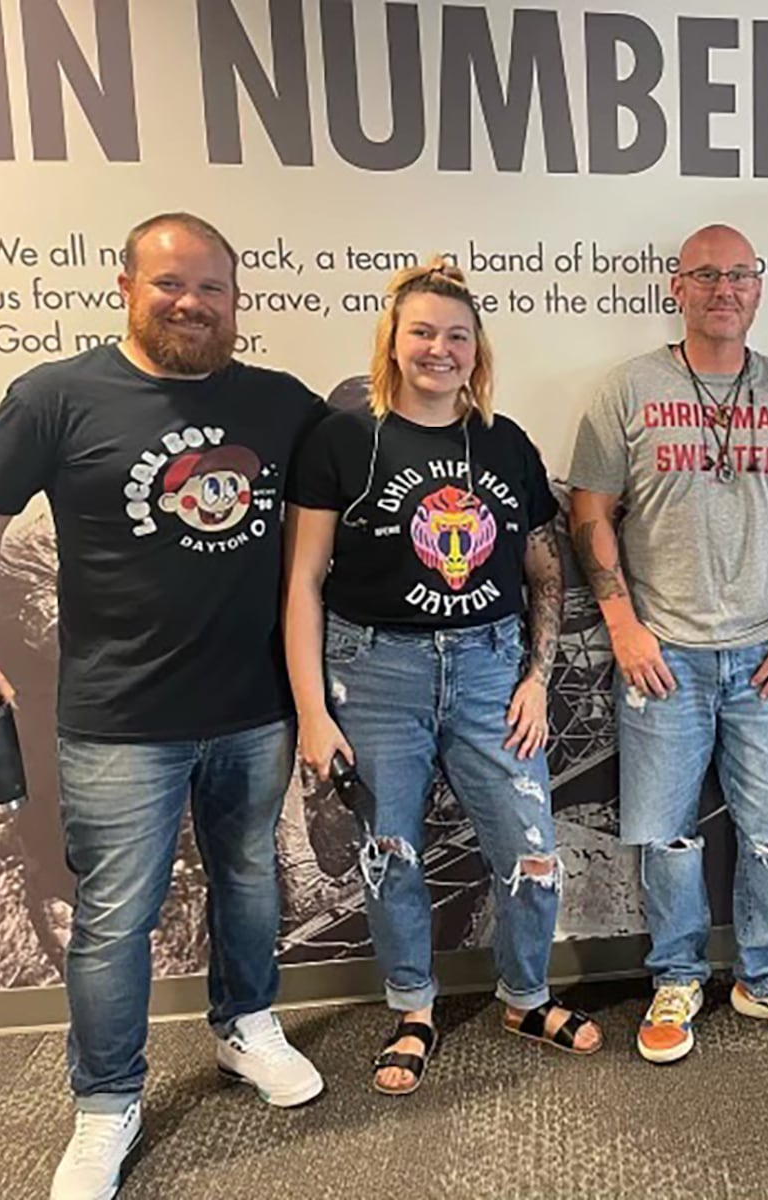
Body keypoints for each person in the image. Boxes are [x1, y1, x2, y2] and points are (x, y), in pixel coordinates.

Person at [0, 213, 325, 1200]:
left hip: (254, 709)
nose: (191, 302)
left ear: (237, 301)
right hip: (119, 719)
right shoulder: (55, 397)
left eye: (211, 287)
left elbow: (346, 503)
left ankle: (246, 1029)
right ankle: (106, 1101)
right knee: (115, 919)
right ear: (126, 287)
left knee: (249, 883)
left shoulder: (281, 405)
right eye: (170, 284)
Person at [283, 261, 601, 1092]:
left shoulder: (503, 443)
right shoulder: (343, 440)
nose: (439, 348)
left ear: (477, 348)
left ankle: (526, 995)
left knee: (531, 853)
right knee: (390, 852)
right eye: (422, 331)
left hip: (492, 669)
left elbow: (543, 572)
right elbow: (304, 583)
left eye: (456, 335)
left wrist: (537, 679)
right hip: (373, 672)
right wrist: (313, 713)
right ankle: (412, 1008)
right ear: (392, 340)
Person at [568, 223, 768, 1064]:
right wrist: (621, 624)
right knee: (666, 834)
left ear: (759, 290)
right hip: (663, 656)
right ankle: (677, 977)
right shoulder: (626, 389)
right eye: (706, 276)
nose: (724, 289)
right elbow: (590, 512)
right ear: (676, 288)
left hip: (767, 654)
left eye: (739, 276)